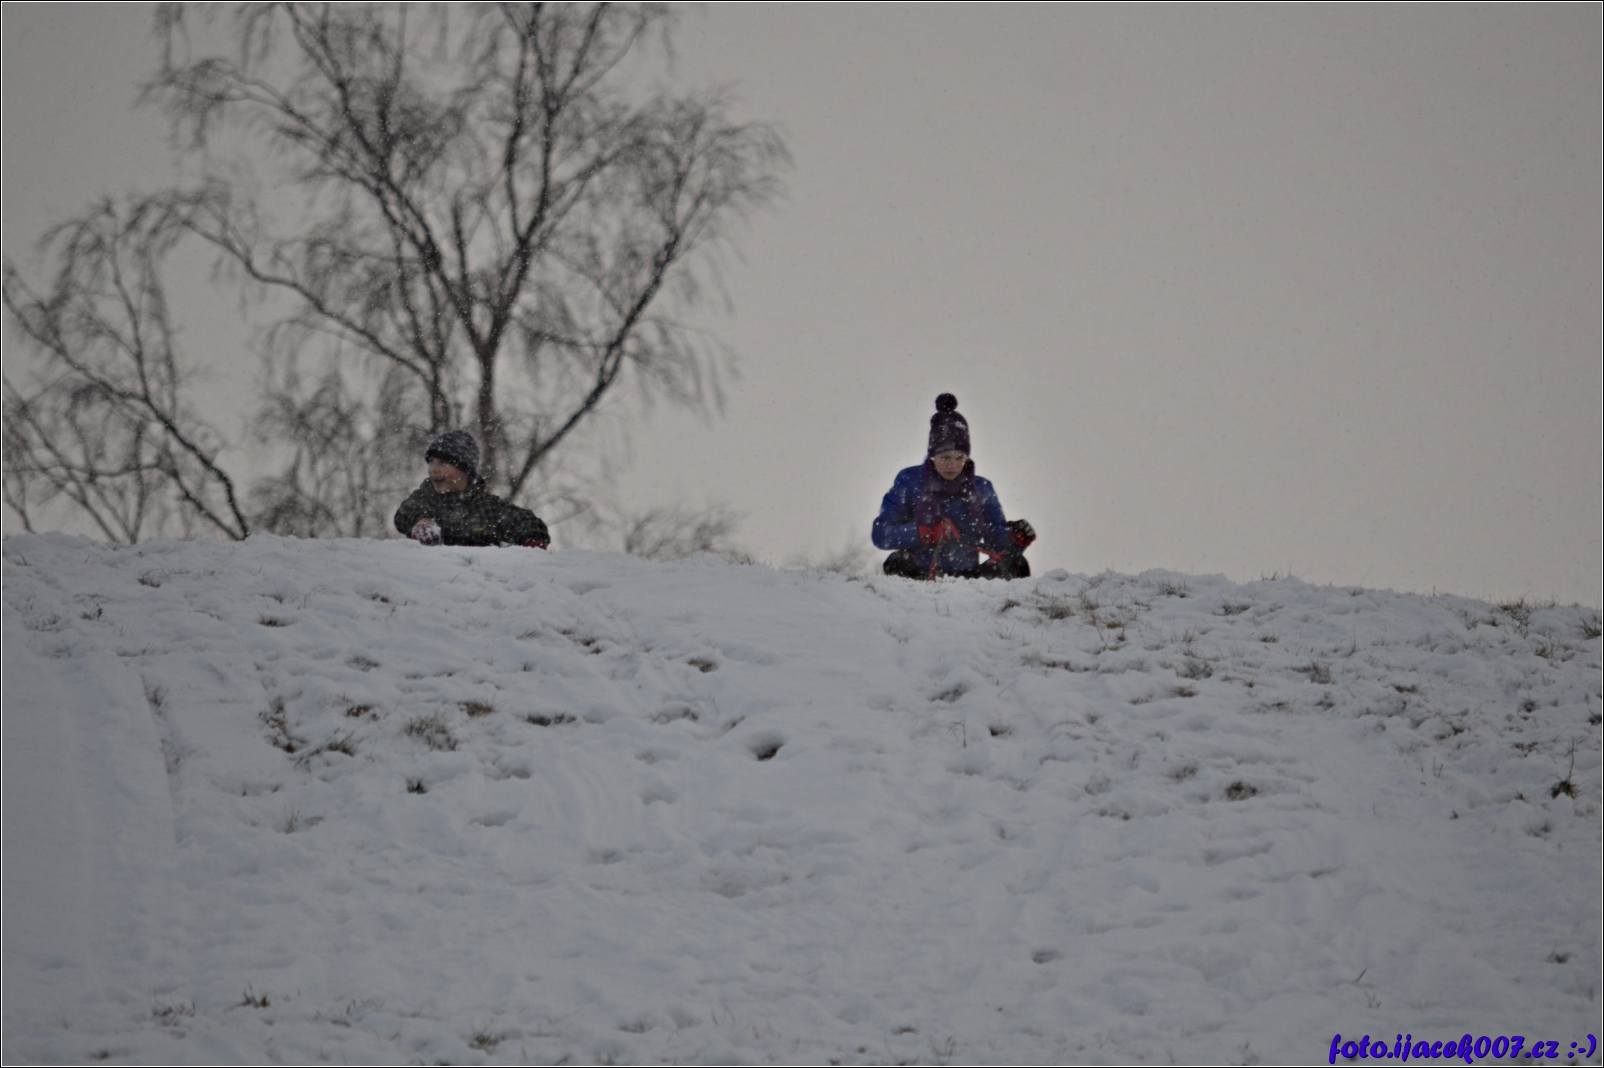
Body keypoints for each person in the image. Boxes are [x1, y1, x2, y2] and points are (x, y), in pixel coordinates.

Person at [872, 394, 1035, 580]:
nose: (952, 465)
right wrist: (921, 533)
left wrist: (1015, 539)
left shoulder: (982, 488)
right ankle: (916, 591)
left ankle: (1001, 598)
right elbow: (881, 534)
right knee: (897, 561)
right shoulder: (909, 481)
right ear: (933, 456)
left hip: (969, 577)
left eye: (959, 458)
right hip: (921, 572)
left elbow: (997, 543)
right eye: (945, 458)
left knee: (1016, 563)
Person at [394, 430, 550, 548]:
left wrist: (532, 538)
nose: (433, 469)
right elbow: (404, 513)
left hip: (477, 577)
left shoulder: (486, 506)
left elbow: (523, 520)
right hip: (432, 574)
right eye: (431, 462)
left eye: (442, 463)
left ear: (464, 470)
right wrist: (421, 520)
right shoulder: (426, 497)